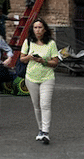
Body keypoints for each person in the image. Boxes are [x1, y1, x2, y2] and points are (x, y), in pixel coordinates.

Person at [20, 16, 60, 144]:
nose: (37, 30)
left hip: (47, 77)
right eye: (35, 27)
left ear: (44, 30)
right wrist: (29, 57)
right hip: (31, 77)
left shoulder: (51, 43)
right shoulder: (28, 42)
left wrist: (43, 61)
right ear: (32, 29)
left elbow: (55, 62)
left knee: (45, 104)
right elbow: (21, 59)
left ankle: (46, 132)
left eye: (40, 27)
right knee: (36, 105)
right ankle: (40, 129)